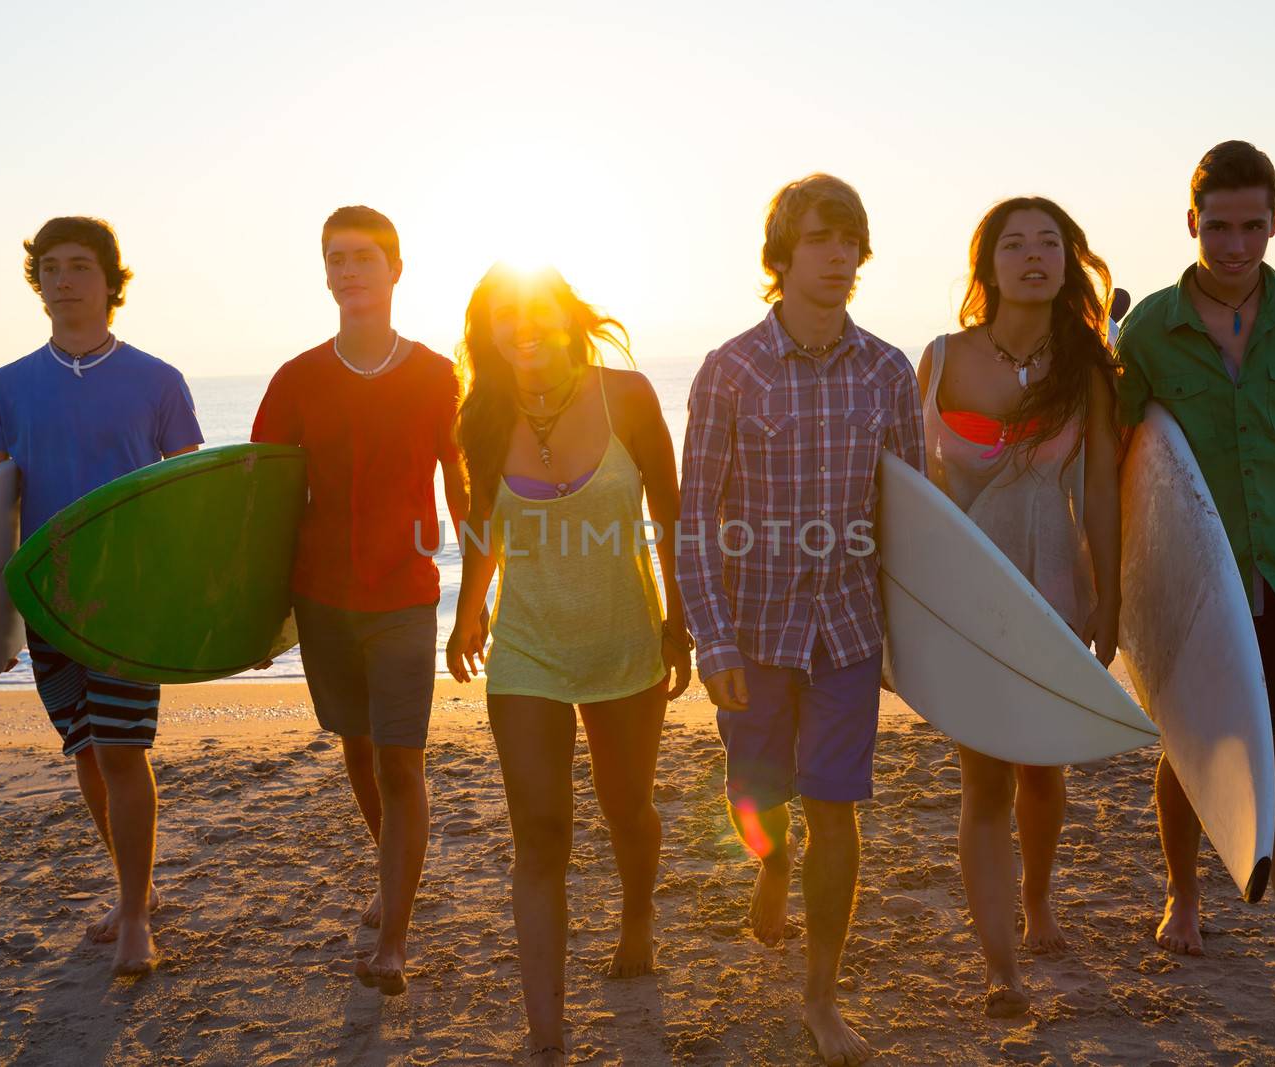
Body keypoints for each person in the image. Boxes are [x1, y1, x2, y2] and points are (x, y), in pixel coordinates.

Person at [1117, 140, 1275, 1022]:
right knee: (1189, 748)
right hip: (1195, 574)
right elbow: (1129, 461)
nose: (1234, 244)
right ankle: (1184, 893)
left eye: (1251, 226)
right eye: (1217, 226)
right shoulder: (1146, 329)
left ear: (1274, 220)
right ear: (1191, 222)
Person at [678, 174, 924, 1067]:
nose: (837, 256)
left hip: (849, 630)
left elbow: (912, 520)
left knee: (838, 810)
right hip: (753, 631)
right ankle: (769, 862)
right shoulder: (730, 369)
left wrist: (915, 642)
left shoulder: (889, 372)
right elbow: (695, 514)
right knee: (755, 794)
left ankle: (821, 997)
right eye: (819, 239)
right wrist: (711, 636)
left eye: (850, 239)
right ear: (779, 256)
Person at [445, 263, 691, 1066]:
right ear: (490, 332)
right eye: (505, 317)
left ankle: (636, 917)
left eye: (537, 311)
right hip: (528, 651)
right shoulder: (483, 412)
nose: (524, 328)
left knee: (628, 810)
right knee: (541, 833)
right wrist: (468, 610)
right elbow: (485, 519)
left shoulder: (628, 397)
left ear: (565, 318)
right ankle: (546, 1036)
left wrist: (679, 619)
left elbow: (672, 511)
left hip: (626, 643)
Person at [0, 216, 203, 976]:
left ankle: (136, 914)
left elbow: (193, 498)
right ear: (36, 283)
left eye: (78, 266)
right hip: (49, 602)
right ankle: (135, 883)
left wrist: (191, 600)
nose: (62, 279)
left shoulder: (159, 380)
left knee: (125, 752)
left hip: (130, 603)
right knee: (89, 754)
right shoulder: (6, 387)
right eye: (49, 267)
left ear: (110, 281)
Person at [252, 206, 468, 995]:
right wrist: (250, 611)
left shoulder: (440, 375)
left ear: (396, 269)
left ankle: (395, 942)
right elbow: (263, 496)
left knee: (401, 759)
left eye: (364, 258)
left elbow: (466, 488)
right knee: (357, 749)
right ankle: (395, 868)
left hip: (407, 597)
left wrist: (480, 595)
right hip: (322, 598)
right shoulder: (298, 377)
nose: (349, 272)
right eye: (335, 259)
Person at [918, 196, 1121, 1017]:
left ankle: (1038, 897)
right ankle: (1001, 964)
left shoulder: (1089, 366)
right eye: (1015, 244)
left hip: (1050, 589)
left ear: (1068, 262)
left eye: (1049, 244)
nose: (1033, 256)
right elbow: (896, 483)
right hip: (965, 599)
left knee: (1041, 766)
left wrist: (1107, 597)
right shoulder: (938, 360)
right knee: (983, 782)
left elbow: (1102, 487)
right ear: (987, 264)